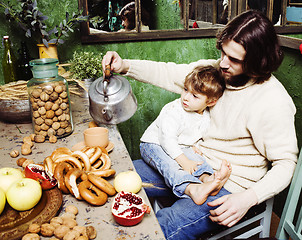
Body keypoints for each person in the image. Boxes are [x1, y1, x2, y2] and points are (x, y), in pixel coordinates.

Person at [102, 9, 298, 240]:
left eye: (234, 59)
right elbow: (169, 72)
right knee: (112, 181)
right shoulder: (216, 72)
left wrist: (248, 199)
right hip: (193, 165)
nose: (223, 63)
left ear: (257, 62)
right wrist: (124, 65)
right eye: (223, 52)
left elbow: (286, 163)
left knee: (160, 227)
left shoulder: (272, 101)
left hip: (231, 187)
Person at [140, 65, 231, 206]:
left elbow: (196, 134)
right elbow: (167, 139)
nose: (186, 97)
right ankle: (191, 189)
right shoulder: (174, 111)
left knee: (196, 158)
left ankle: (207, 179)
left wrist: (196, 146)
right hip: (154, 144)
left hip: (180, 146)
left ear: (210, 102)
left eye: (194, 96)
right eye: (185, 89)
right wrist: (184, 161)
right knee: (171, 165)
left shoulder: (205, 116)